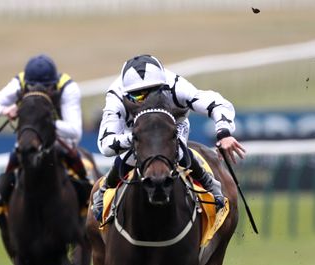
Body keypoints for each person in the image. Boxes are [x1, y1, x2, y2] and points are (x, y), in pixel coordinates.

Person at [92, 54, 246, 221]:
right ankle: (105, 189)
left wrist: (224, 133)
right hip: (136, 131)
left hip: (173, 125)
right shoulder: (117, 95)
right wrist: (136, 138)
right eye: (138, 96)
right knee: (129, 157)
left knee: (177, 150)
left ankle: (210, 184)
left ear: (163, 86)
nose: (147, 100)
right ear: (127, 93)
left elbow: (217, 103)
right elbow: (105, 145)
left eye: (153, 92)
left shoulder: (176, 85)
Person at [0, 54, 88, 234]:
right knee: (0, 193)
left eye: (46, 88)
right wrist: (3, 110)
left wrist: (43, 122)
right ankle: (7, 224)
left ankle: (84, 221)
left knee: (86, 183)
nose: (39, 91)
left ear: (54, 85)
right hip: (29, 145)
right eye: (32, 87)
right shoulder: (18, 83)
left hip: (61, 144)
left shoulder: (68, 88)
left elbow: (75, 131)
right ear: (26, 85)